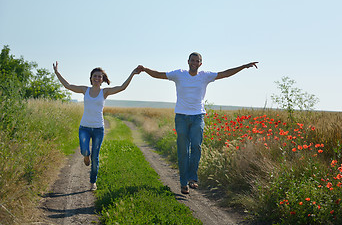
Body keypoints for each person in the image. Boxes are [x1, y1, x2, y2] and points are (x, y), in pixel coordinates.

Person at [138, 52, 258, 194]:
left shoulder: (204, 76)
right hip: (181, 117)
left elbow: (225, 74)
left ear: (200, 64)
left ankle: (192, 178)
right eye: (192, 60)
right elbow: (159, 75)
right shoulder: (179, 74)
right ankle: (184, 183)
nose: (194, 63)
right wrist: (145, 70)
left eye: (197, 61)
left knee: (196, 146)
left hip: (198, 117)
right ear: (188, 61)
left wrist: (243, 67)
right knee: (183, 151)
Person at [53, 61, 141, 191]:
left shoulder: (104, 92)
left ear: (102, 79)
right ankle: (85, 156)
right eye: (95, 76)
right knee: (84, 151)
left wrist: (133, 73)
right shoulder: (85, 90)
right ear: (91, 78)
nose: (97, 78)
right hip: (84, 127)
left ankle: (92, 182)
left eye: (99, 76)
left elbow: (122, 87)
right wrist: (57, 73)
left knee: (96, 156)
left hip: (99, 129)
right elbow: (68, 86)